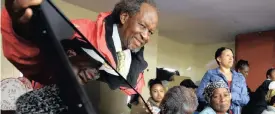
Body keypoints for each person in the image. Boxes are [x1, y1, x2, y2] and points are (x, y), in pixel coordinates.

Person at [2, 0, 158, 95]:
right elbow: (40, 64)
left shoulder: (136, 65)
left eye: (150, 32)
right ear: (124, 17)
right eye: (143, 26)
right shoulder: (81, 31)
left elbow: (127, 97)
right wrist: (21, 30)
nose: (146, 36)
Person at [196, 47, 249, 114]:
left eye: (232, 56)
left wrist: (232, 96)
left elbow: (245, 99)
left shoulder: (240, 77)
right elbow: (199, 94)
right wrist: (217, 98)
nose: (231, 58)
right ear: (219, 59)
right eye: (228, 55)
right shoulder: (210, 74)